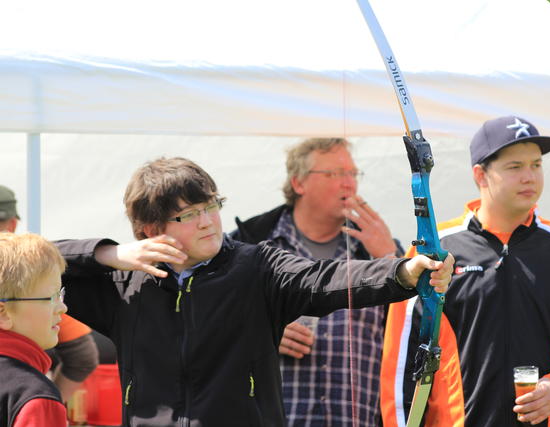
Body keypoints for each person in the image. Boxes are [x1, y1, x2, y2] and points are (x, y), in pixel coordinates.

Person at [55, 156, 455, 426]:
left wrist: (405, 272)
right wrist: (109, 253)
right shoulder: (124, 285)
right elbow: (30, 264)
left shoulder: (256, 266)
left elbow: (325, 278)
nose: (208, 221)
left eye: (211, 206)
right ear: (150, 229)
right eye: (188, 214)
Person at [380, 116, 550, 427]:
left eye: (536, 165)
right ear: (480, 175)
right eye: (515, 167)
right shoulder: (435, 251)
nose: (529, 177)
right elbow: (400, 361)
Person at [232, 137, 402, 426]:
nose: (349, 183)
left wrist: (390, 257)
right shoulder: (250, 245)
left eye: (353, 173)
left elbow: (415, 334)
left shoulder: (377, 248)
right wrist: (261, 332)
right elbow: (208, 321)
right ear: (298, 183)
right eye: (334, 173)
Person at [0, 185, 99, 403]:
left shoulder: (34, 284)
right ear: (13, 225)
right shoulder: (32, 284)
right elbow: (82, 356)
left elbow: (82, 356)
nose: (60, 306)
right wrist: (47, 402)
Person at [0, 233, 68, 427]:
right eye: (51, 297)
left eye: (60, 294)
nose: (62, 307)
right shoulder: (37, 398)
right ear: (3, 313)